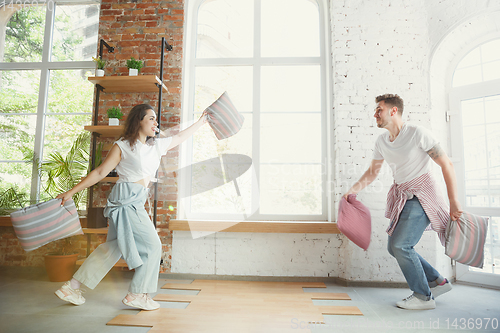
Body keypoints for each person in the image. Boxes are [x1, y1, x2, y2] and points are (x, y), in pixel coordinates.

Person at [55, 104, 207, 310]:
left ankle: (71, 287)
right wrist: (71, 192)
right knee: (153, 246)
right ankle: (137, 294)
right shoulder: (123, 146)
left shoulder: (156, 146)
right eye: (151, 118)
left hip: (136, 199)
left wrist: (201, 122)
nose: (156, 122)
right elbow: (100, 173)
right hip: (126, 200)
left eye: (156, 119)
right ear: (139, 121)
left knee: (113, 248)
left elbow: (180, 137)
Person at [344, 94, 462, 310]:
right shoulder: (381, 141)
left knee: (401, 245)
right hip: (404, 197)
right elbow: (372, 172)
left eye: (379, 109)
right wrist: (352, 191)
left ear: (393, 111)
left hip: (424, 196)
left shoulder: (417, 133)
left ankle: (423, 297)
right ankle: (437, 282)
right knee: (394, 246)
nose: (375, 114)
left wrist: (454, 202)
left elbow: (446, 164)